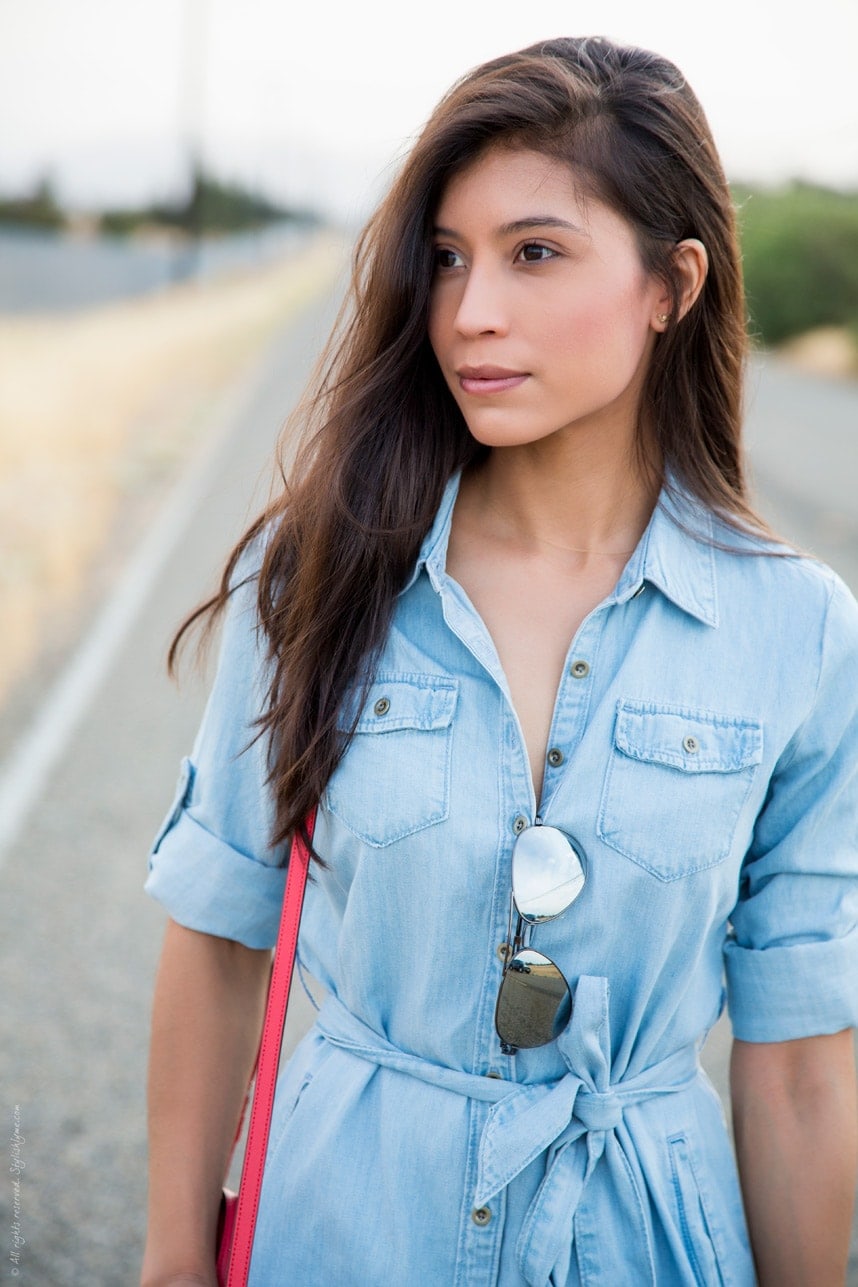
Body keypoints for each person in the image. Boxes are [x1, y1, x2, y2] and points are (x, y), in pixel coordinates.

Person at [140, 35, 858, 1287]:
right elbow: (217, 942)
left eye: (536, 253)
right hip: (343, 1231)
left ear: (671, 284)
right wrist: (165, 1261)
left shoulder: (797, 633)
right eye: (449, 260)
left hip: (650, 1243)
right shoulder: (321, 578)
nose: (471, 312)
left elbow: (798, 1061)